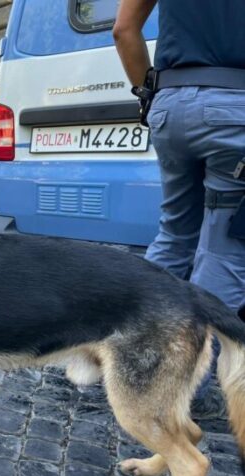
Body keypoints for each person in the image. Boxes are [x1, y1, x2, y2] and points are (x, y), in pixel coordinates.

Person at [114, 0, 245, 417]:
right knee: (223, 250)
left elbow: (123, 30)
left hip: (171, 106)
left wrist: (148, 99)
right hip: (235, 107)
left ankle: (133, 355)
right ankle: (187, 384)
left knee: (174, 236)